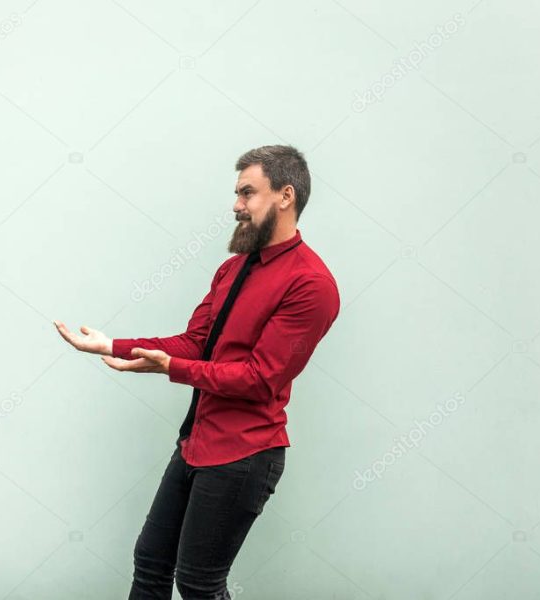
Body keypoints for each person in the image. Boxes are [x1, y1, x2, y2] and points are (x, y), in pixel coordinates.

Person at [54, 144, 340, 599]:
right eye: (237, 194)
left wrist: (173, 368)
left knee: (199, 583)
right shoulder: (232, 268)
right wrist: (113, 345)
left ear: (286, 196)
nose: (236, 205)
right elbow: (196, 343)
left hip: (244, 457)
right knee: (150, 563)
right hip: (197, 443)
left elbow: (259, 378)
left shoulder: (312, 285)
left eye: (248, 193)